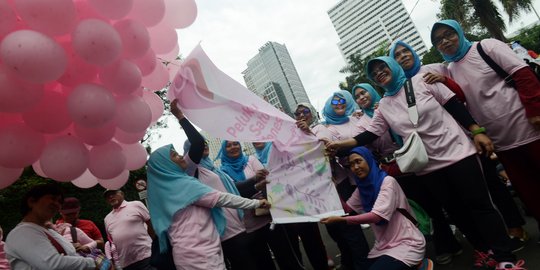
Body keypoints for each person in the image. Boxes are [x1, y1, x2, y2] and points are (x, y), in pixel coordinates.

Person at [326, 56, 525, 269]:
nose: (379, 73)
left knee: (480, 206)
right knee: (456, 212)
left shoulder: (422, 81)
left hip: (459, 154)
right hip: (427, 167)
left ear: (392, 66)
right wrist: (339, 146)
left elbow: (453, 105)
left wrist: (476, 131)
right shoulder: (383, 105)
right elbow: (369, 134)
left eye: (382, 68)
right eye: (374, 73)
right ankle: (485, 251)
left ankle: (505, 258)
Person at [390, 39, 529, 258]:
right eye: (397, 55)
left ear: (413, 52)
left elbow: (462, 95)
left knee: (491, 184)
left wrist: (444, 80)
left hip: (466, 136)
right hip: (440, 153)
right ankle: (487, 244)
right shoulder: (398, 89)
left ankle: (515, 227)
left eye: (405, 51)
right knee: (465, 199)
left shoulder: (433, 69)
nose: (403, 57)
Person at [431, 19, 540, 248]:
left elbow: (521, 73)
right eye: (438, 40)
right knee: (529, 191)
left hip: (529, 129)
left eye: (448, 34)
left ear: (459, 32)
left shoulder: (486, 46)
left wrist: (534, 109)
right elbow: (462, 101)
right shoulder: (450, 69)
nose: (445, 41)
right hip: (502, 144)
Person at [146, 141, 270, 270]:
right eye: (175, 155)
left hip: (195, 250)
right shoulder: (182, 184)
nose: (181, 157)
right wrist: (256, 203)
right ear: (165, 164)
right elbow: (221, 198)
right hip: (200, 253)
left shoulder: (164, 189)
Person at [169, 100, 261, 270]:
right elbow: (196, 142)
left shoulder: (213, 169)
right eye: (200, 145)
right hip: (225, 232)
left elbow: (233, 190)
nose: (204, 146)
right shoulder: (191, 169)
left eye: (206, 144)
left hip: (241, 226)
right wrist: (180, 117)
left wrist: (257, 182)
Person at [321, 146, 425, 269]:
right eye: (351, 165)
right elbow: (347, 210)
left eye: (358, 161)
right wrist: (334, 188)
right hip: (384, 245)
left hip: (407, 243)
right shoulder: (362, 188)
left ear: (369, 160)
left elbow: (376, 216)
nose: (355, 167)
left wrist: (342, 220)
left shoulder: (387, 182)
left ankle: (420, 265)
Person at [218, 140, 304, 270]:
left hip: (270, 217)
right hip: (249, 225)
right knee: (263, 262)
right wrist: (254, 184)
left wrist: (250, 189)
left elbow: (267, 180)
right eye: (228, 146)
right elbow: (233, 192)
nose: (233, 147)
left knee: (286, 256)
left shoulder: (251, 160)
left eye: (235, 144)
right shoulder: (223, 171)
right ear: (224, 151)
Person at [4, 183, 111, 270]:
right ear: (31, 201)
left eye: (59, 201)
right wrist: (92, 263)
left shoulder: (47, 230)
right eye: (52, 198)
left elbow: (69, 253)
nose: (57, 204)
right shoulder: (23, 232)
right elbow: (52, 264)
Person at [103, 189, 155, 270]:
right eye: (107, 196)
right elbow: (112, 240)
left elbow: (150, 223)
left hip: (145, 255)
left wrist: (151, 242)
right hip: (126, 263)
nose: (110, 196)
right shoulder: (107, 219)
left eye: (113, 193)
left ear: (122, 194)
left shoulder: (135, 204)